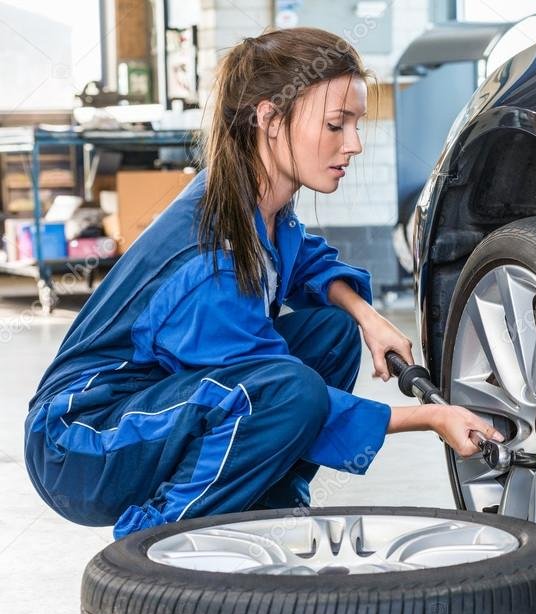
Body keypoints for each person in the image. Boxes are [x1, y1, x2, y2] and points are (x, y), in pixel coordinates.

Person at [23, 27, 503, 540]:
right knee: (290, 392)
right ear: (270, 119)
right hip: (81, 440)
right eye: (336, 125)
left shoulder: (257, 199)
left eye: (356, 125)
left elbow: (304, 263)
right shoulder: (212, 256)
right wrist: (431, 418)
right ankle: (158, 542)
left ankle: (271, 501)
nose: (355, 145)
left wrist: (369, 318)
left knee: (333, 334)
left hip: (152, 400)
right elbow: (275, 393)